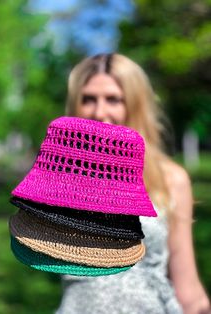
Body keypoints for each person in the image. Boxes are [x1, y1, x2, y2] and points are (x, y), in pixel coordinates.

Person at [56, 53, 210, 314]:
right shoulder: (63, 179)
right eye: (88, 99)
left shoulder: (170, 179)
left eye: (114, 99)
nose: (99, 112)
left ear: (135, 104)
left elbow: (189, 289)